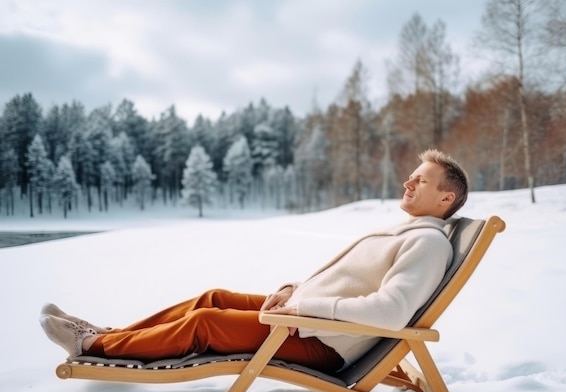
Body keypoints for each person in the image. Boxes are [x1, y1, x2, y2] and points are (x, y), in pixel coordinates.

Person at [40, 149, 469, 374]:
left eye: (422, 179)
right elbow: (346, 284)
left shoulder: (428, 245)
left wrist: (301, 308)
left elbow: (390, 312)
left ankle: (92, 346)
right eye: (412, 176)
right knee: (213, 296)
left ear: (445, 198)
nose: (408, 182)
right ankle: (113, 335)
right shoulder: (410, 233)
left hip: (323, 341)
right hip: (304, 317)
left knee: (204, 323)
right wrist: (292, 291)